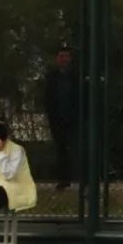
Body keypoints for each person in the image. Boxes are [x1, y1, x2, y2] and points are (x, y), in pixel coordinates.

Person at [44, 42, 79, 190]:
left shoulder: (76, 76)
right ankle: (64, 179)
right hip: (57, 118)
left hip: (73, 118)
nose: (63, 59)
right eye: (61, 56)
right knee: (61, 149)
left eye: (66, 56)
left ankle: (79, 176)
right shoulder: (51, 76)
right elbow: (48, 97)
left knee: (76, 147)